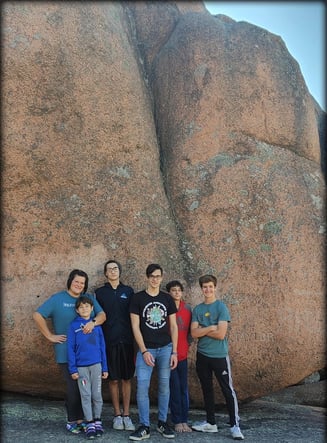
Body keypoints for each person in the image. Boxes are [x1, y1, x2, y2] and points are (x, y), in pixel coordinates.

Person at [33, 269, 106, 435]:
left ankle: (86, 421)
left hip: (89, 356)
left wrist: (93, 323)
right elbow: (37, 315)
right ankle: (73, 420)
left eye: (82, 282)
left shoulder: (88, 300)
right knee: (74, 389)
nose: (79, 284)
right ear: (70, 281)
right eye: (76, 281)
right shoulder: (58, 299)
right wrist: (50, 336)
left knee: (86, 391)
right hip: (67, 354)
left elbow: (102, 315)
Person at [190, 274, 244, 440]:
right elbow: (193, 333)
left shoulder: (221, 307)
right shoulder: (198, 309)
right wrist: (211, 327)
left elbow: (221, 334)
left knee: (227, 389)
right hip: (202, 356)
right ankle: (210, 423)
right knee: (207, 389)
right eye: (205, 287)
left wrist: (204, 329)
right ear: (201, 289)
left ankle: (235, 425)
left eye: (210, 287)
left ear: (215, 288)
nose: (208, 290)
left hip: (219, 356)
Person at [129, 264, 178, 441]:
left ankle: (162, 422)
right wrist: (143, 351)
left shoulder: (167, 299)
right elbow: (135, 326)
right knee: (142, 387)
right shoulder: (137, 298)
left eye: (158, 276)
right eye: (151, 276)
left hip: (166, 348)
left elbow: (173, 326)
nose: (155, 279)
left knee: (164, 387)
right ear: (147, 277)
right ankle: (144, 426)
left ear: (162, 277)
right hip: (146, 350)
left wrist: (174, 352)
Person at [95, 260, 136, 432]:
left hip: (126, 340)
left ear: (120, 271)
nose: (113, 271)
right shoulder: (99, 293)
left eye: (116, 268)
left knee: (126, 378)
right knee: (113, 379)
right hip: (108, 341)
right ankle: (117, 416)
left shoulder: (128, 291)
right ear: (105, 273)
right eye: (109, 269)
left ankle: (127, 415)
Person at [67, 295, 108, 439]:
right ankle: (89, 423)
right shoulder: (73, 326)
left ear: (92, 309)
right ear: (77, 310)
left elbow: (102, 346)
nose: (84, 309)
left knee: (97, 395)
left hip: (96, 365)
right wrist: (73, 369)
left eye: (87, 306)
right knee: (86, 395)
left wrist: (105, 368)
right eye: (81, 307)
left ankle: (97, 420)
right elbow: (70, 348)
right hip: (81, 368)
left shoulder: (96, 326)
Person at [166, 280, 192, 433]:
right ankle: (176, 420)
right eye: (173, 290)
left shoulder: (187, 308)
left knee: (183, 388)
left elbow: (191, 331)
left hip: (182, 354)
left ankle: (184, 420)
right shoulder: (166, 308)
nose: (176, 292)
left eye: (178, 290)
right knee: (173, 388)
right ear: (169, 293)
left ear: (182, 292)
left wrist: (187, 344)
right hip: (168, 355)